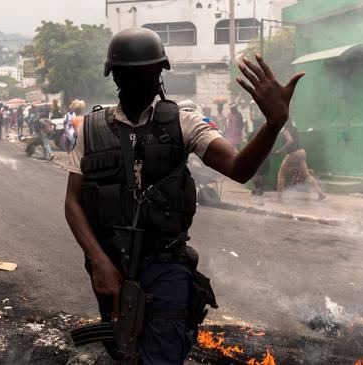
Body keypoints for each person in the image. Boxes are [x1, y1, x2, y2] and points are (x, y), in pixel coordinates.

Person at [64, 27, 304, 364]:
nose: (136, 79)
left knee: (161, 353)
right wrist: (99, 262)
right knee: (122, 348)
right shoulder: (92, 130)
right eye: (127, 72)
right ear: (114, 75)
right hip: (111, 266)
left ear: (160, 73)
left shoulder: (184, 123)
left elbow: (238, 168)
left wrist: (273, 123)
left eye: (145, 71)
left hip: (166, 264)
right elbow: (72, 202)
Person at [274, 121, 325, 201]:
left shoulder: (285, 131)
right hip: (301, 152)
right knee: (307, 175)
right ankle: (320, 193)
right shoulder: (295, 129)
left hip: (293, 153)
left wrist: (280, 151)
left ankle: (279, 198)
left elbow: (290, 140)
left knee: (281, 174)